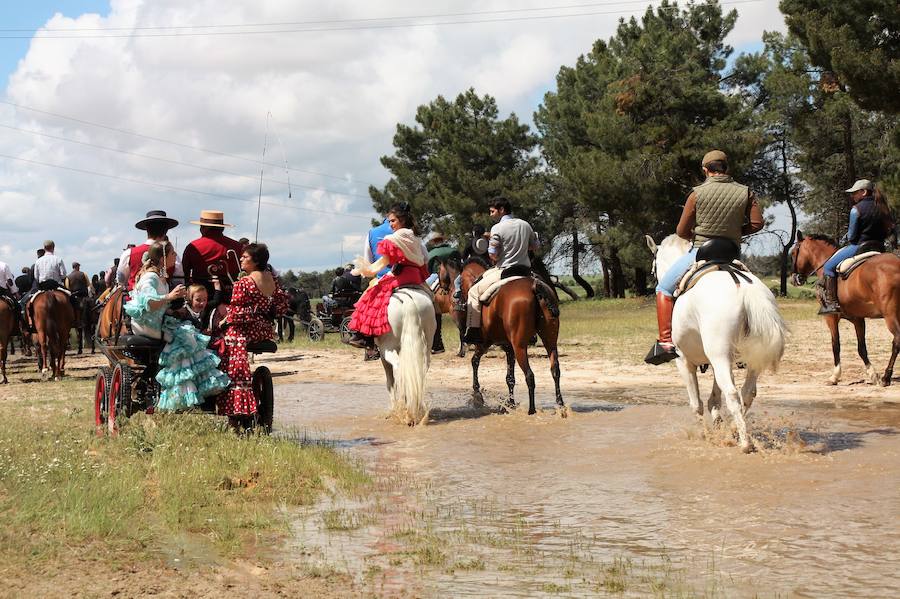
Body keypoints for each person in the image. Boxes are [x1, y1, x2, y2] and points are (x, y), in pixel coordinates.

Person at [645, 150, 764, 365]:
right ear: (726, 168)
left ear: (705, 170)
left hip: (700, 252)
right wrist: (736, 232)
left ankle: (665, 342)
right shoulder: (746, 192)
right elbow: (757, 223)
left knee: (662, 289)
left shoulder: (696, 193)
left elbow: (681, 231)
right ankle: (749, 339)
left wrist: (698, 235)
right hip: (732, 253)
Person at [124, 241, 229, 411]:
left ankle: (189, 393)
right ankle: (180, 394)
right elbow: (149, 303)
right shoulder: (150, 277)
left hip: (157, 320)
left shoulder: (158, 275)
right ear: (163, 258)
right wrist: (170, 297)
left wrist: (173, 310)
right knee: (186, 340)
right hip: (148, 325)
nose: (175, 257)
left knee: (189, 336)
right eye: (173, 254)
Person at [217, 243, 289, 429]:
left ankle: (234, 404)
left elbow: (237, 314)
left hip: (246, 330)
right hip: (264, 329)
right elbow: (280, 306)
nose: (241, 259)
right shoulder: (272, 279)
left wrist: (225, 320)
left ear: (255, 260)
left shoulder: (244, 283)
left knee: (221, 343)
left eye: (245, 257)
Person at [347, 203, 429, 349]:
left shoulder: (391, 238)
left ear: (401, 220)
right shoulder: (415, 237)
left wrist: (365, 270)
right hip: (416, 276)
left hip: (400, 276)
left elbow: (381, 263)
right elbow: (425, 258)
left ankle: (363, 337)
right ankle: (436, 341)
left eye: (393, 221)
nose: (390, 224)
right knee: (433, 300)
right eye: (390, 221)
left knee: (370, 298)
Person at [463, 198, 540, 344]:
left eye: (492, 211)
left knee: (473, 291)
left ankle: (473, 331)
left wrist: (499, 251)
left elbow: (492, 254)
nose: (491, 214)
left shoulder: (497, 228)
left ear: (502, 210)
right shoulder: (525, 224)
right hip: (525, 270)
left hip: (505, 270)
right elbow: (535, 246)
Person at [819, 179, 894, 314]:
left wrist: (847, 237)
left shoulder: (856, 210)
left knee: (828, 267)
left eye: (855, 193)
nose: (852, 196)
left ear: (864, 192)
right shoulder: (883, 208)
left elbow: (852, 237)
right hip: (880, 247)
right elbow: (889, 230)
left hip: (859, 246)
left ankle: (831, 304)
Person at [182, 210, 244, 299]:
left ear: (203, 228)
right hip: (232, 295)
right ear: (222, 228)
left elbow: (185, 274)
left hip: (202, 297)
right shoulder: (237, 246)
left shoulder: (193, 247)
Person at [118, 211, 181, 292]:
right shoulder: (173, 255)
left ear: (147, 229)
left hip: (133, 299)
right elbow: (179, 282)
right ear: (166, 231)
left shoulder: (128, 253)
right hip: (165, 300)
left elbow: (121, 281)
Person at [364, 215, 395, 279]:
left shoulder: (372, 233)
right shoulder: (410, 232)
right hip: (409, 278)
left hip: (382, 279)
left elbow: (367, 265)